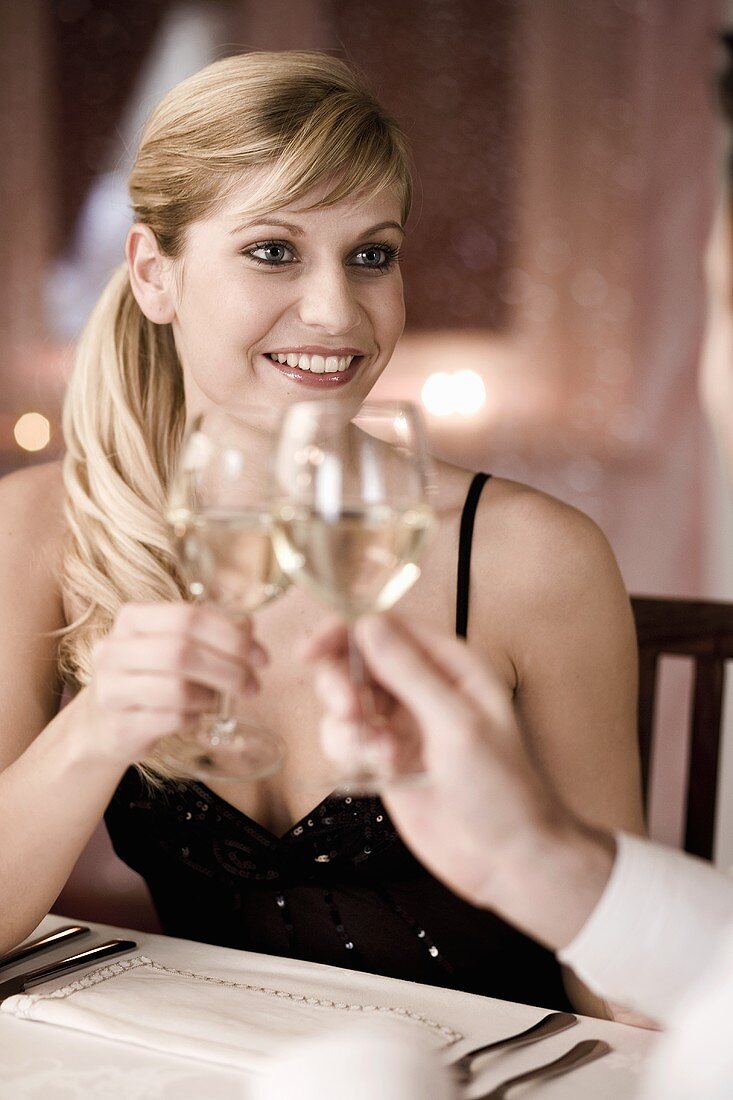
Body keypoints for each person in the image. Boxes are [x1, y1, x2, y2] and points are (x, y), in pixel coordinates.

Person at [0, 51, 643, 1016]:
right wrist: (96, 726)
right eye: (272, 250)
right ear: (152, 273)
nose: (337, 312)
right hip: (214, 1074)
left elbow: (625, 984)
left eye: (370, 255)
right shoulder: (46, 527)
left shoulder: (531, 561)